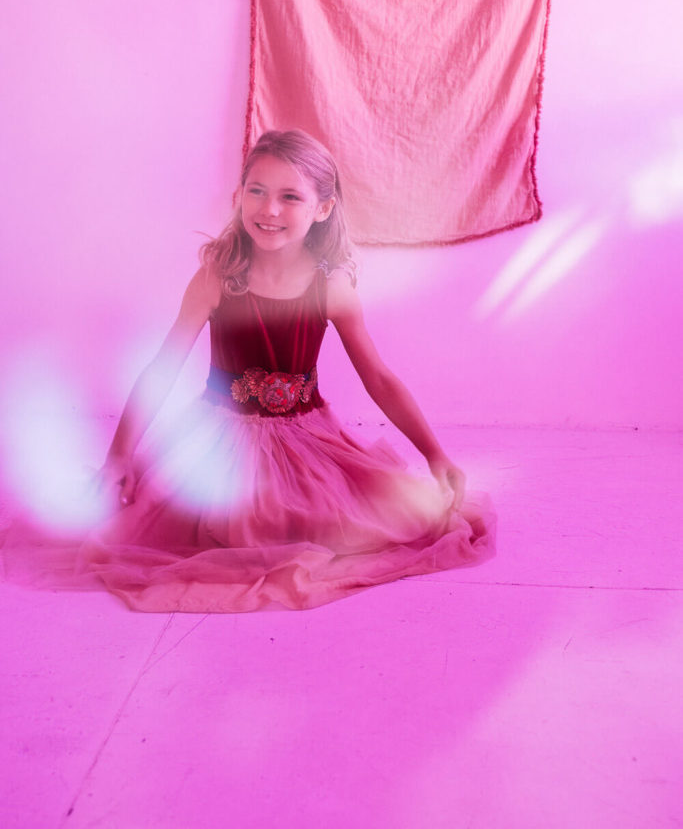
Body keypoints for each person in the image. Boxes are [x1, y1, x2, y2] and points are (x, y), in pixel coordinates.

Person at [5, 129, 496, 612]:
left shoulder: (332, 288)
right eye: (257, 191)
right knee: (202, 521)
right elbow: (164, 367)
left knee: (333, 522)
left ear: (322, 209)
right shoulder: (218, 277)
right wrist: (118, 457)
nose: (270, 209)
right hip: (218, 438)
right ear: (239, 195)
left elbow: (380, 379)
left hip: (305, 442)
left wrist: (434, 454)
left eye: (290, 197)